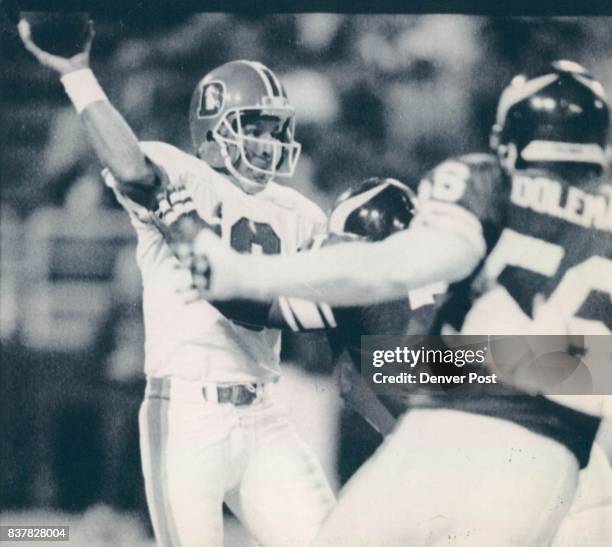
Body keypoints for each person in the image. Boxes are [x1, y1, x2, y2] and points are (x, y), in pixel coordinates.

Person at [190, 60, 612, 545]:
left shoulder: (483, 186)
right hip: (561, 459)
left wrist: (232, 262)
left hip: (453, 431)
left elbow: (391, 271)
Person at [19, 19, 335, 547]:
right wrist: (78, 76)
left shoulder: (300, 211)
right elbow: (131, 166)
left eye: (275, 130)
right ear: (214, 127)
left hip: (265, 411)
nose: (267, 142)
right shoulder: (182, 171)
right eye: (254, 126)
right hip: (187, 412)